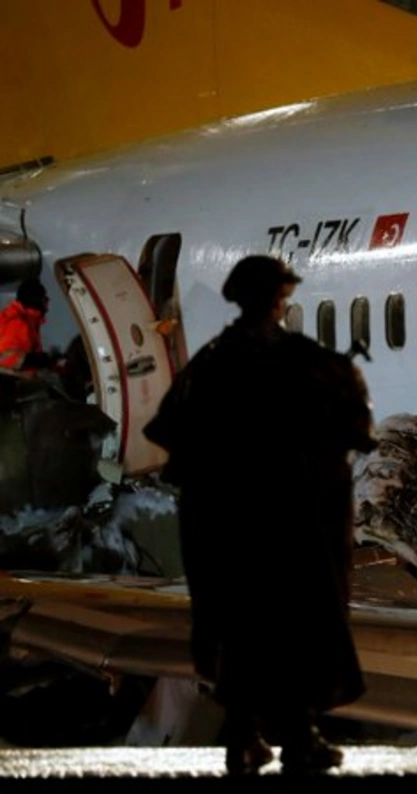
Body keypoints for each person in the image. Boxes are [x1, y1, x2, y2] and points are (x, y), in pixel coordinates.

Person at [143, 254, 377, 776]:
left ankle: (246, 737)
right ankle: (296, 738)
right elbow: (351, 424)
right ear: (272, 300)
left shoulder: (211, 361)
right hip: (288, 525)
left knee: (243, 634)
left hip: (231, 529)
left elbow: (166, 431)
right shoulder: (299, 359)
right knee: (296, 630)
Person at [0, 278, 56, 373]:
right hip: (10, 384)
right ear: (36, 300)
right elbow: (6, 359)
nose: (48, 302)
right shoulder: (18, 322)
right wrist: (40, 360)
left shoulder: (28, 321)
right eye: (45, 298)